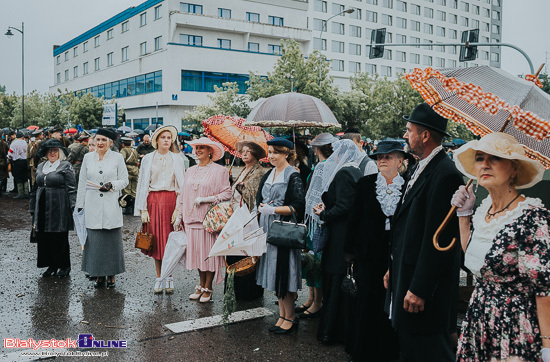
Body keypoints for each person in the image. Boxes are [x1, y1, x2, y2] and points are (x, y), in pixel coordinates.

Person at [450, 132, 550, 362]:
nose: (484, 164)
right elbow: (478, 262)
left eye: (494, 158)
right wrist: (464, 215)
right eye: (479, 157)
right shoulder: (484, 210)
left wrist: (548, 347)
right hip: (479, 319)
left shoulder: (532, 217)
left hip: (515, 328)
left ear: (514, 169)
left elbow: (544, 290)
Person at [387, 103, 464, 361]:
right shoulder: (419, 166)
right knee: (410, 348)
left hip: (424, 291)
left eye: (409, 130)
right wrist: (393, 267)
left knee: (429, 351)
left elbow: (439, 240)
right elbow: (408, 226)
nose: (405, 135)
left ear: (425, 135)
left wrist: (420, 288)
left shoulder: (446, 174)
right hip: (406, 274)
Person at [344, 140, 408, 361]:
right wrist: (349, 251)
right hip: (368, 252)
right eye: (379, 156)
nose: (382, 159)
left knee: (390, 301)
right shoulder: (365, 183)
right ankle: (362, 350)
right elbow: (354, 218)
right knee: (366, 300)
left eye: (388, 156)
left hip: (396, 252)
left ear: (400, 161)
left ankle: (388, 350)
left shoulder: (408, 185)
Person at [312, 139, 363, 344]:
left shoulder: (343, 173)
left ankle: (332, 331)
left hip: (339, 235)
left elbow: (344, 206)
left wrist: (324, 214)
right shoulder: (355, 171)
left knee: (335, 280)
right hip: (347, 234)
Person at [255, 137, 306, 334]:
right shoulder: (269, 173)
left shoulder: (293, 175)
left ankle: (290, 317)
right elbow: (261, 199)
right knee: (275, 273)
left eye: (276, 152)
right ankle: (283, 316)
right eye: (270, 152)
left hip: (283, 229)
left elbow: (298, 207)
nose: (272, 155)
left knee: (284, 272)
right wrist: (260, 209)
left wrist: (273, 210)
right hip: (267, 228)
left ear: (287, 153)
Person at [174, 138, 231, 302]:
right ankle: (200, 284)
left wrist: (206, 199)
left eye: (202, 148)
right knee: (197, 254)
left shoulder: (220, 171)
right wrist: (179, 216)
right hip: (191, 219)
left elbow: (227, 193)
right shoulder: (190, 170)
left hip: (208, 220)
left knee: (208, 255)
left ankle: (209, 287)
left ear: (210, 151)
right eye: (196, 147)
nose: (198, 150)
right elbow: (183, 195)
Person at [135, 126, 185, 294]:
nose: (166, 140)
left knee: (171, 242)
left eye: (169, 138)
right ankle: (159, 277)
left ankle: (169, 275)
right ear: (156, 140)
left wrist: (179, 208)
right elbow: (142, 183)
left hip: (171, 200)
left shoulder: (177, 159)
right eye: (163, 137)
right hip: (153, 200)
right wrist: (143, 209)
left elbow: (181, 185)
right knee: (155, 242)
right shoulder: (148, 158)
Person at [76, 128, 129, 288]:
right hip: (92, 205)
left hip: (111, 205)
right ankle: (97, 273)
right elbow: (82, 182)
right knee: (95, 242)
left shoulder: (117, 158)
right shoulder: (87, 157)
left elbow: (125, 180)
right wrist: (79, 205)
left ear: (110, 143)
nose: (100, 143)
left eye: (104, 140)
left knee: (111, 242)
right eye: (98, 140)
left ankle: (111, 273)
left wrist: (112, 185)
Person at [298, 133, 337, 318]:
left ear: (317, 149)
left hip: (316, 221)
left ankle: (318, 301)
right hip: (312, 220)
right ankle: (311, 297)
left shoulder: (324, 167)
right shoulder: (319, 166)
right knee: (310, 259)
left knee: (316, 260)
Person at [225, 141, 267, 300]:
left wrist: (241, 188)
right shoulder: (243, 169)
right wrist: (232, 182)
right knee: (234, 251)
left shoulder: (259, 171)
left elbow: (254, 195)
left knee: (246, 254)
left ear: (255, 155)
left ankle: (248, 292)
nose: (243, 154)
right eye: (242, 151)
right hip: (235, 216)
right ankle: (234, 289)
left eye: (248, 152)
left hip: (248, 219)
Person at [29, 139, 77, 278]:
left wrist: (73, 206)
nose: (52, 153)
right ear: (45, 153)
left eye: (55, 150)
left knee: (59, 236)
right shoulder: (41, 166)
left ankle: (64, 265)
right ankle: (51, 265)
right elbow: (34, 189)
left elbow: (72, 188)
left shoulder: (65, 166)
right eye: (49, 150)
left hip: (59, 205)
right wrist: (32, 207)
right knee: (44, 236)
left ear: (60, 152)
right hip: (42, 204)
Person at [120, 137, 139, 215]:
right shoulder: (134, 150)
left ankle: (128, 208)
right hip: (135, 170)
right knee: (134, 190)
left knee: (126, 190)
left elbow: (122, 160)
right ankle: (134, 208)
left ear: (123, 144)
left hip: (127, 170)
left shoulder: (123, 150)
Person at [8, 131, 29, 199]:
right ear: (22, 136)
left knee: (18, 177)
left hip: (17, 162)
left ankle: (20, 193)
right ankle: (26, 192)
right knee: (25, 177)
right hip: (24, 161)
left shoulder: (13, 144)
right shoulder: (25, 143)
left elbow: (10, 154)